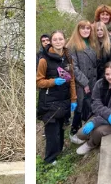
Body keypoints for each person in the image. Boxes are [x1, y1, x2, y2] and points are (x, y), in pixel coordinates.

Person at [75, 61, 111, 156]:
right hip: (101, 115)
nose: (110, 77)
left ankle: (91, 144)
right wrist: (106, 114)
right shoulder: (99, 84)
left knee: (99, 131)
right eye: (107, 74)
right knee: (81, 134)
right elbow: (95, 103)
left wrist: (94, 122)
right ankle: (91, 137)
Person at [36, 31, 77, 166]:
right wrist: (53, 82)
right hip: (49, 102)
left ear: (64, 41)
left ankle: (58, 154)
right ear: (51, 42)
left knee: (60, 130)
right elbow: (38, 82)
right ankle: (49, 160)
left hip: (64, 100)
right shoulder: (43, 60)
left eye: (60, 39)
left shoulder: (67, 57)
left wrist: (73, 99)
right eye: (55, 39)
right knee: (52, 133)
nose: (58, 41)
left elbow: (71, 80)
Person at [67, 20, 102, 142]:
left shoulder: (92, 43)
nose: (86, 30)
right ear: (78, 30)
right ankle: (74, 132)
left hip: (93, 80)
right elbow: (73, 67)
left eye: (88, 28)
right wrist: (84, 82)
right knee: (80, 106)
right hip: (81, 82)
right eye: (83, 28)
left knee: (89, 105)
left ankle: (85, 130)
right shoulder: (72, 46)